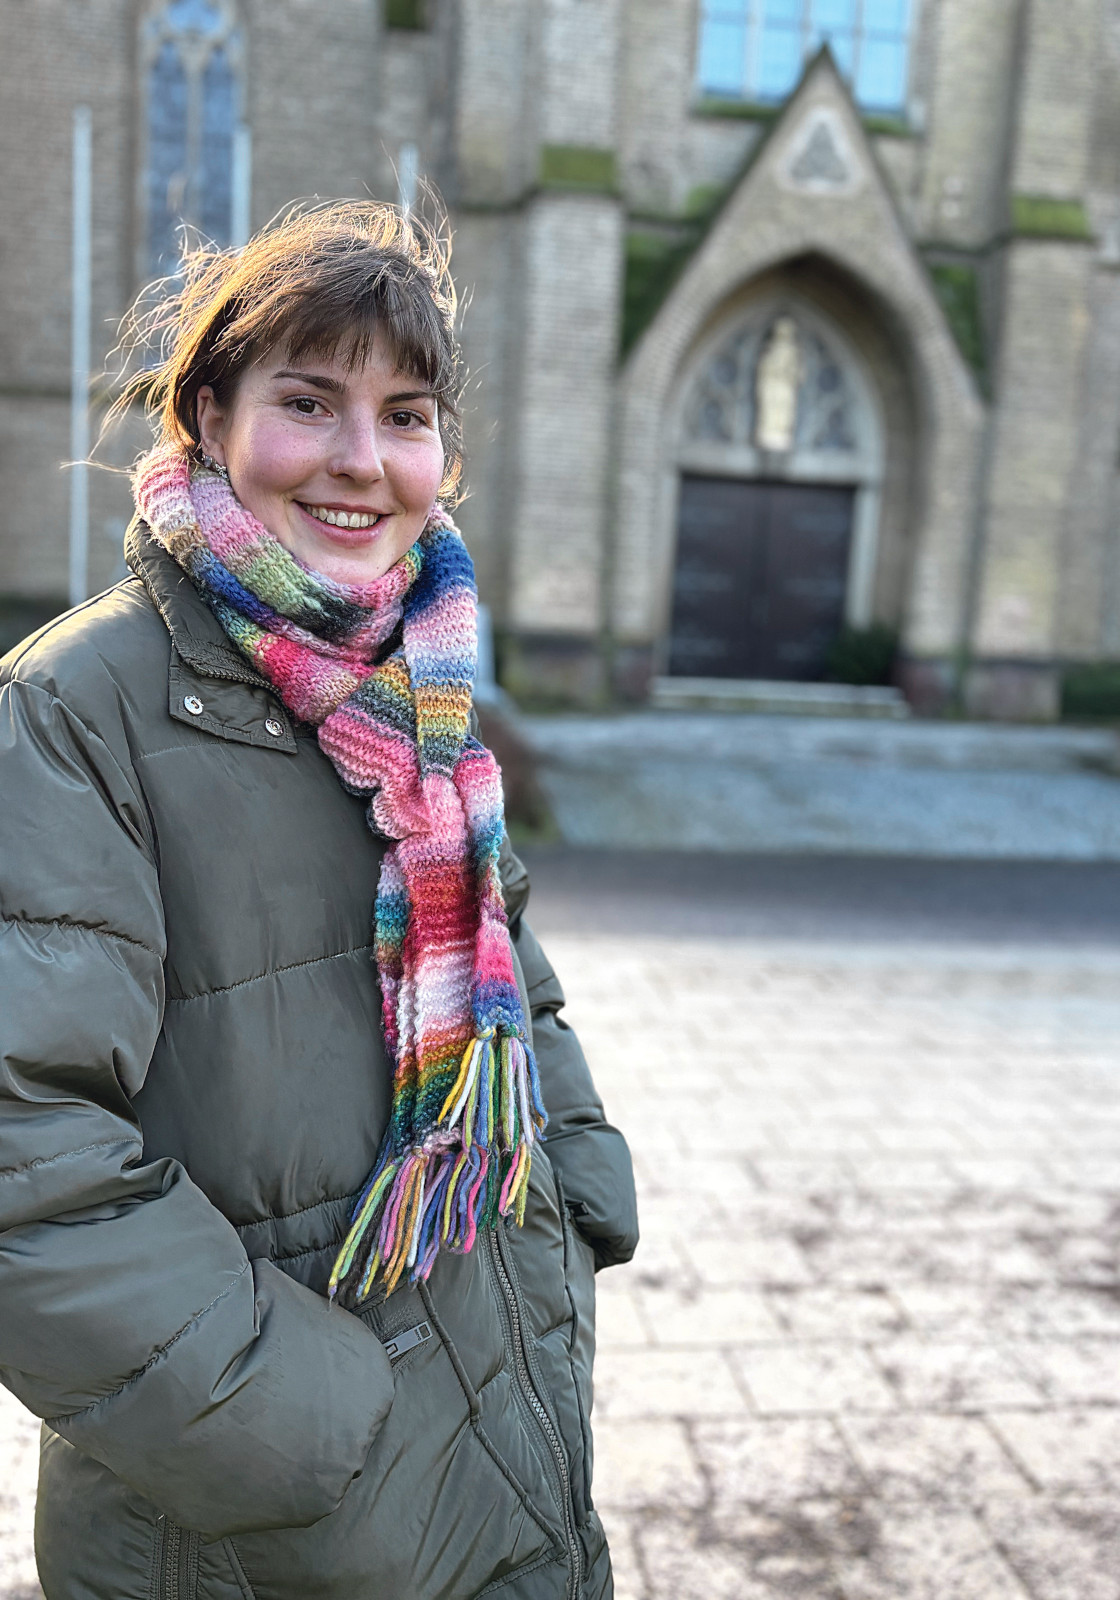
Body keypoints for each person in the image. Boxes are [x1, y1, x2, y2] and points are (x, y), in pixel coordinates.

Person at [0, 201, 637, 1600]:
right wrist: (306, 1425)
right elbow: (21, 1148)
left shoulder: (426, 688)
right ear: (208, 416)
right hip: (247, 1521)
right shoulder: (73, 711)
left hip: (497, 1404)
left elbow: (508, 964)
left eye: (404, 414)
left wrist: (574, 1188)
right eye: (308, 401)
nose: (363, 462)